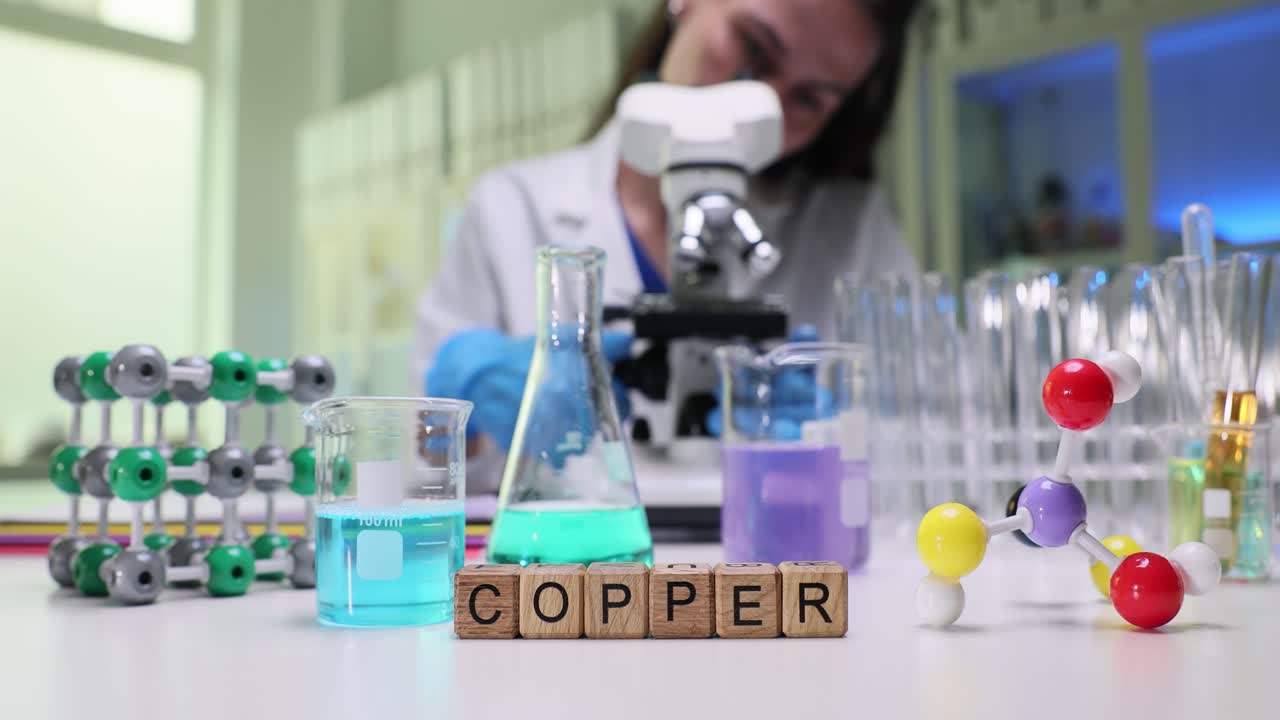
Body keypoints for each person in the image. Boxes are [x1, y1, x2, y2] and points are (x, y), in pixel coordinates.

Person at [416, 0, 921, 492]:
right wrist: (463, 402)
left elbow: (936, 436)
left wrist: (839, 429)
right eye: (754, 49)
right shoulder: (511, 206)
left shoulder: (852, 227)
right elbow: (400, 466)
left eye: (808, 99)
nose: (763, 107)